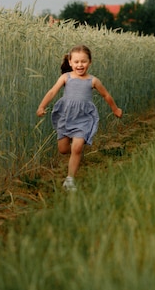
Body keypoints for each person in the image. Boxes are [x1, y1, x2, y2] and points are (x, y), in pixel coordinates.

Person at [36, 45, 122, 191]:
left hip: (83, 118)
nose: (80, 65)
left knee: (76, 148)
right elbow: (52, 92)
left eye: (83, 61)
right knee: (63, 150)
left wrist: (115, 109)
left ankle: (70, 180)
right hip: (66, 116)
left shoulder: (93, 81)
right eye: (76, 62)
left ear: (90, 62)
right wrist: (41, 106)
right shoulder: (66, 77)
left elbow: (105, 95)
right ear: (70, 62)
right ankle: (76, 154)